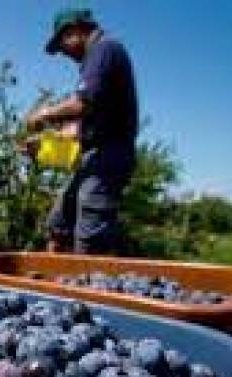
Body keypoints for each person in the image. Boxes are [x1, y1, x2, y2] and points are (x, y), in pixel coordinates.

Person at [27, 8, 139, 254]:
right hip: (94, 156)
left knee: (90, 237)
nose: (64, 53)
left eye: (62, 44)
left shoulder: (104, 49)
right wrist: (46, 142)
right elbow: (83, 127)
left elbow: (82, 104)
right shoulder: (96, 58)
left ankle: (85, 285)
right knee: (59, 225)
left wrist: (44, 114)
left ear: (75, 30)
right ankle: (55, 284)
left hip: (109, 157)